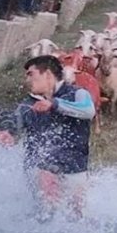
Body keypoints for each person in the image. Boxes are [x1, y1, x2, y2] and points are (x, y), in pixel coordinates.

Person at [18, 55, 95, 220]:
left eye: (31, 74)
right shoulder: (27, 103)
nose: (27, 80)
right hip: (42, 168)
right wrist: (6, 131)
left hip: (75, 167)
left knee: (77, 217)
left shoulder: (78, 93)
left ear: (47, 74)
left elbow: (88, 111)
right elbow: (13, 121)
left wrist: (55, 105)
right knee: (45, 214)